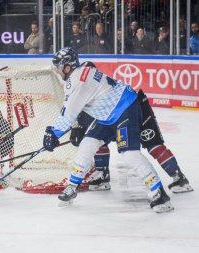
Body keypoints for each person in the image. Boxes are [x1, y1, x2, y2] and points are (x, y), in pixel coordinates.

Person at [43, 47, 173, 213]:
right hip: (107, 115)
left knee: (129, 154)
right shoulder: (84, 69)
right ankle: (72, 186)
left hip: (125, 108)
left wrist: (53, 133)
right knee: (87, 143)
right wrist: (54, 132)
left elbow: (68, 116)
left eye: (58, 66)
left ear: (67, 67)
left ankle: (159, 193)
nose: (57, 70)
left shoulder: (77, 83)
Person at [70, 90, 193, 193]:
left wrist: (79, 128)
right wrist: (78, 128)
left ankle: (178, 178)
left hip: (136, 107)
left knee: (152, 144)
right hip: (117, 114)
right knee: (98, 138)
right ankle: (103, 176)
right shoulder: (83, 92)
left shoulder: (90, 89)